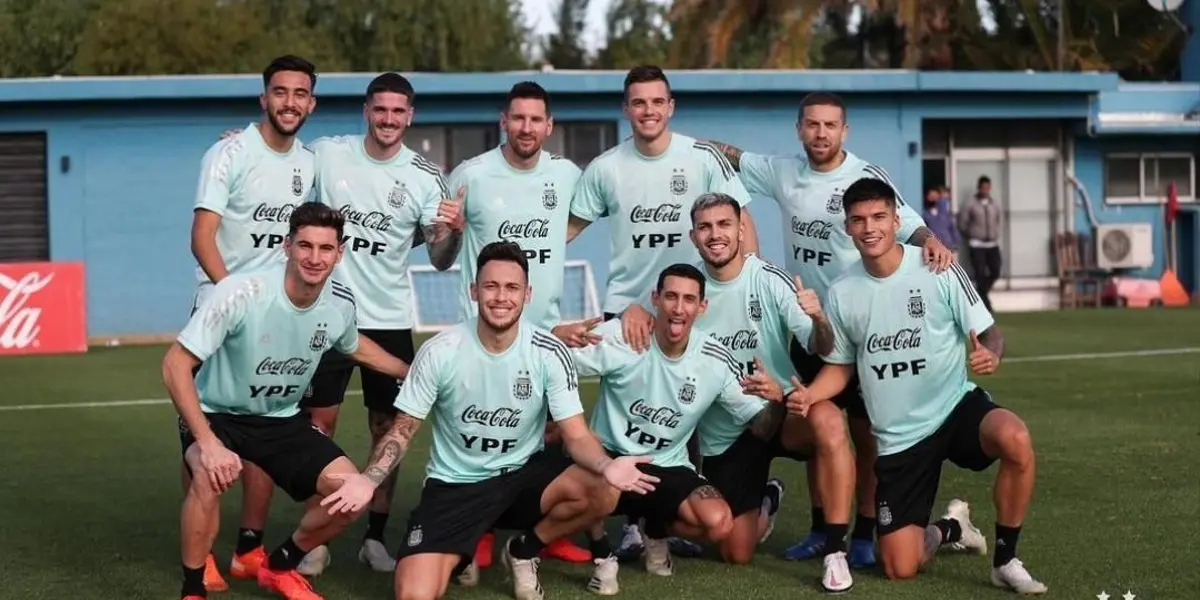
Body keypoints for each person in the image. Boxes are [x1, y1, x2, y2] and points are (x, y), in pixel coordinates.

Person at [317, 241, 659, 600]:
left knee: (604, 486)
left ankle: (523, 549)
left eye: (512, 288)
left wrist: (607, 465)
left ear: (527, 294)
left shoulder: (548, 351)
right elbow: (403, 429)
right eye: (491, 286)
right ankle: (461, 547)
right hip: (456, 487)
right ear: (473, 290)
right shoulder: (440, 350)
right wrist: (369, 479)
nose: (501, 297)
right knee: (413, 594)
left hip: (522, 479)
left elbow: (575, 435)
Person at [705, 91, 956, 568]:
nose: (821, 134)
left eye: (830, 126)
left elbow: (909, 224)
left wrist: (933, 242)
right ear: (799, 129)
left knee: (867, 436)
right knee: (820, 430)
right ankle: (824, 530)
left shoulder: (865, 177)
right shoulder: (782, 171)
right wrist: (676, 144)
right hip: (810, 327)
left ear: (845, 131)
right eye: (812, 125)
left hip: (860, 327)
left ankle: (864, 532)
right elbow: (731, 156)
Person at [788, 177, 1045, 595]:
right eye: (858, 220)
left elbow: (990, 333)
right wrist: (812, 394)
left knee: (1015, 438)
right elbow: (841, 367)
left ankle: (1005, 559)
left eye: (879, 217)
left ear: (895, 220)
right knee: (899, 566)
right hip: (900, 439)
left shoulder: (939, 268)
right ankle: (949, 528)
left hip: (953, 408)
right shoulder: (843, 292)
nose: (870, 228)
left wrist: (992, 354)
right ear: (848, 227)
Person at [162, 202, 412, 600]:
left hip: (280, 419)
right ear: (287, 246)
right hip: (218, 415)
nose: (315, 258)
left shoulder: (339, 304)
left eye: (326, 249)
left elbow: (356, 348)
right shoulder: (240, 293)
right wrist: (207, 443)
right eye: (305, 246)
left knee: (353, 493)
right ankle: (193, 589)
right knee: (208, 478)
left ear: (340, 252)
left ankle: (279, 565)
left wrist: (408, 371)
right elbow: (175, 365)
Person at [567, 63, 761, 559]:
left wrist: (747, 287)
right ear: (625, 108)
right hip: (629, 313)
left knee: (691, 411)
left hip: (693, 305)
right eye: (638, 102)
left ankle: (684, 509)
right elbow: (562, 232)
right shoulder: (606, 167)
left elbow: (741, 224)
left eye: (657, 101)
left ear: (670, 106)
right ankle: (624, 522)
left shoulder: (702, 157)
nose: (648, 111)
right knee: (615, 412)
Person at [620, 192, 854, 591]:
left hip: (780, 409)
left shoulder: (768, 279)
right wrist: (633, 309)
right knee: (734, 550)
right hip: (726, 432)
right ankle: (767, 497)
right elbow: (656, 315)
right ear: (693, 236)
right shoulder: (687, 286)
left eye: (724, 224)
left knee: (829, 421)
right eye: (705, 227)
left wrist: (817, 319)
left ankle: (834, 549)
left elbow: (821, 345)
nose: (716, 235)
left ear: (741, 229)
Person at [281, 72, 464, 574]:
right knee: (320, 426)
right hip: (327, 312)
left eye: (397, 111)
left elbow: (444, 257)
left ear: (411, 116)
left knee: (388, 429)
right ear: (367, 110)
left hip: (387, 320)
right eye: (379, 109)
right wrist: (244, 142)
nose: (388, 119)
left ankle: (375, 537)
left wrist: (454, 232)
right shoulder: (329, 153)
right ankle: (314, 538)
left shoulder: (426, 176)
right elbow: (281, 155)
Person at [553, 262, 791, 594]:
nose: (679, 308)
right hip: (609, 457)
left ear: (702, 307)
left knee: (719, 523)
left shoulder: (715, 358)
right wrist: (554, 336)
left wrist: (777, 400)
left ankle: (655, 529)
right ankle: (592, 550)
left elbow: (762, 428)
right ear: (656, 298)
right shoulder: (624, 335)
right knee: (572, 460)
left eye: (690, 299)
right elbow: (547, 364)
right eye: (671, 297)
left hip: (667, 465)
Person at [185, 54, 319, 591]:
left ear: (311, 103)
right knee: (204, 444)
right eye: (280, 92)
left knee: (271, 426)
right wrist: (232, 303)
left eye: (300, 93)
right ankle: (205, 555)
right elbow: (202, 236)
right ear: (264, 98)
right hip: (220, 312)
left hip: (278, 321)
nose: (290, 102)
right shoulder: (228, 152)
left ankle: (249, 548)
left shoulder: (308, 164)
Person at [447, 81, 595, 568]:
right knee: (491, 435)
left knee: (551, 435)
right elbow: (440, 251)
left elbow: (578, 218)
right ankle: (482, 529)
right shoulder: (472, 175)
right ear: (503, 122)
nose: (527, 127)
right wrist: (447, 235)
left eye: (536, 119)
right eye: (518, 118)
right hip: (485, 338)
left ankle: (541, 532)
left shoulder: (567, 175)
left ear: (548, 126)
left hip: (546, 334)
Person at [958, 175, 1003, 312]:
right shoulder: (970, 204)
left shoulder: (994, 204)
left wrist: (996, 233)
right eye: (983, 187)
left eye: (988, 187)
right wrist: (970, 236)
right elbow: (962, 222)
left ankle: (979, 293)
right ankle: (985, 304)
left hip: (992, 243)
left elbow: (999, 220)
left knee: (996, 271)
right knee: (979, 273)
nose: (985, 190)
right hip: (976, 244)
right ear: (979, 187)